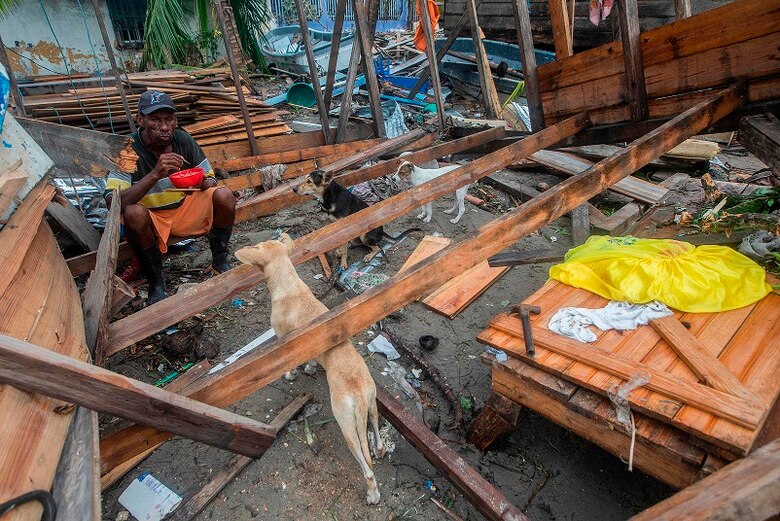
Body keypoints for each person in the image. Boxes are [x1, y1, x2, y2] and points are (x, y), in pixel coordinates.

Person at [105, 90, 236, 305]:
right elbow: (112, 201)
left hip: (184, 209)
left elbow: (211, 179)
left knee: (224, 195)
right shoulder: (127, 149)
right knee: (133, 212)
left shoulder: (182, 139)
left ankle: (219, 261)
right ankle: (156, 282)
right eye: (155, 120)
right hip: (152, 221)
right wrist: (155, 174)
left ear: (175, 120)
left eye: (169, 119)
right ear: (140, 120)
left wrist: (198, 181)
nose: (164, 127)